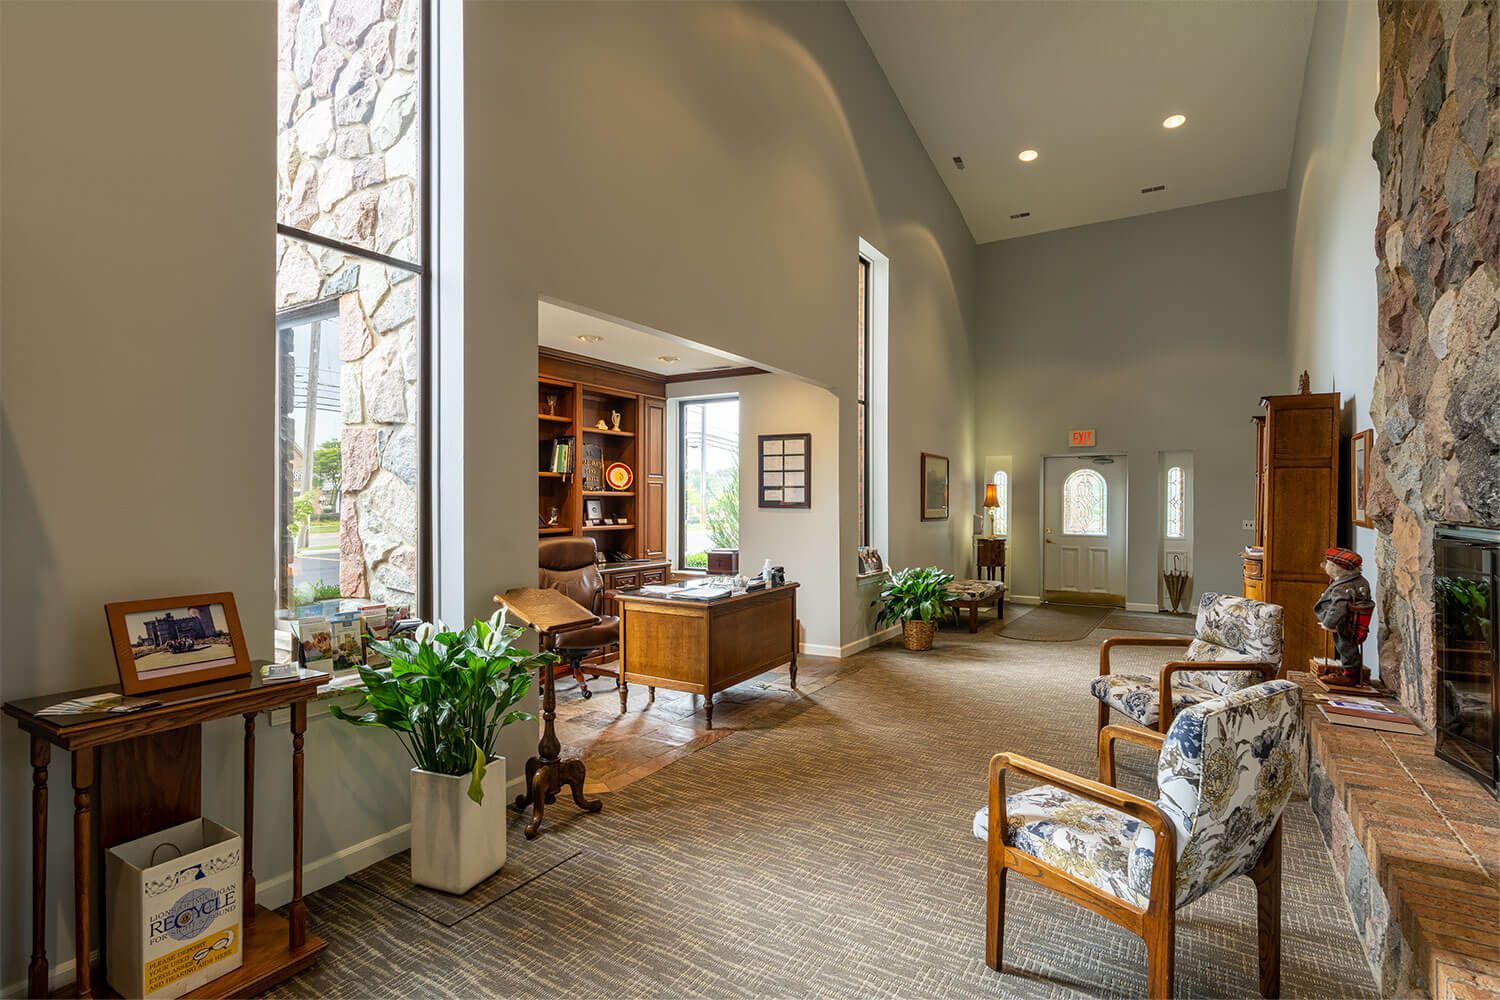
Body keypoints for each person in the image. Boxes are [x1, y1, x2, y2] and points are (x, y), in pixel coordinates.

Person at [1313, 547, 1373, 685]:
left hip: (1344, 624)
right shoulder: (1360, 580)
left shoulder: (1343, 586)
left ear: (1336, 568)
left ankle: (1351, 675)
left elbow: (1338, 608)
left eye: (1328, 564)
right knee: (1347, 646)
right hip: (1356, 622)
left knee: (1345, 646)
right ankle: (1351, 672)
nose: (1324, 565)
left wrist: (1328, 623)